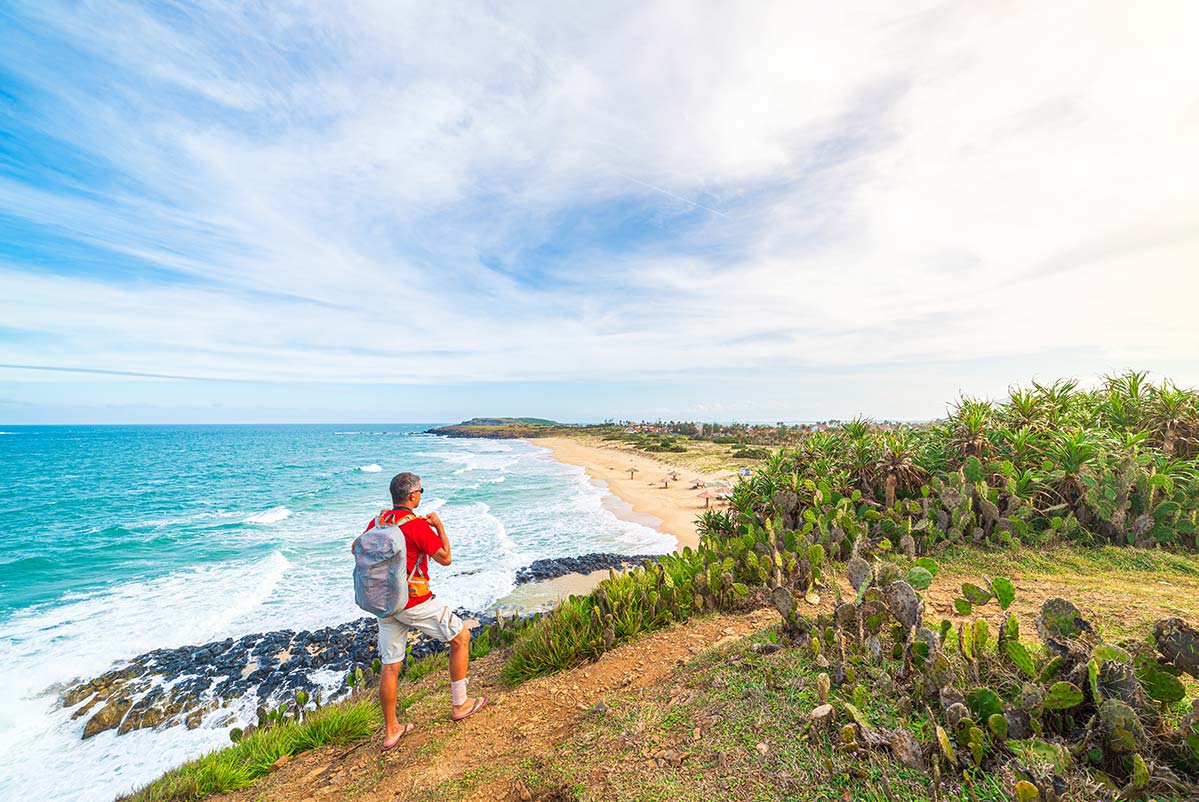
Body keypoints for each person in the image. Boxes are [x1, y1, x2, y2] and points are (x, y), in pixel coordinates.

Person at [352, 471, 487, 749]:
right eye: (421, 492)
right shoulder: (416, 526)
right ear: (413, 496)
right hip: (415, 601)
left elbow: (356, 548)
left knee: (390, 667)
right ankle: (460, 704)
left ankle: (391, 730)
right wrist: (438, 525)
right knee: (460, 638)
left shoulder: (377, 522)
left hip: (385, 604)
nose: (420, 496)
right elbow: (446, 559)